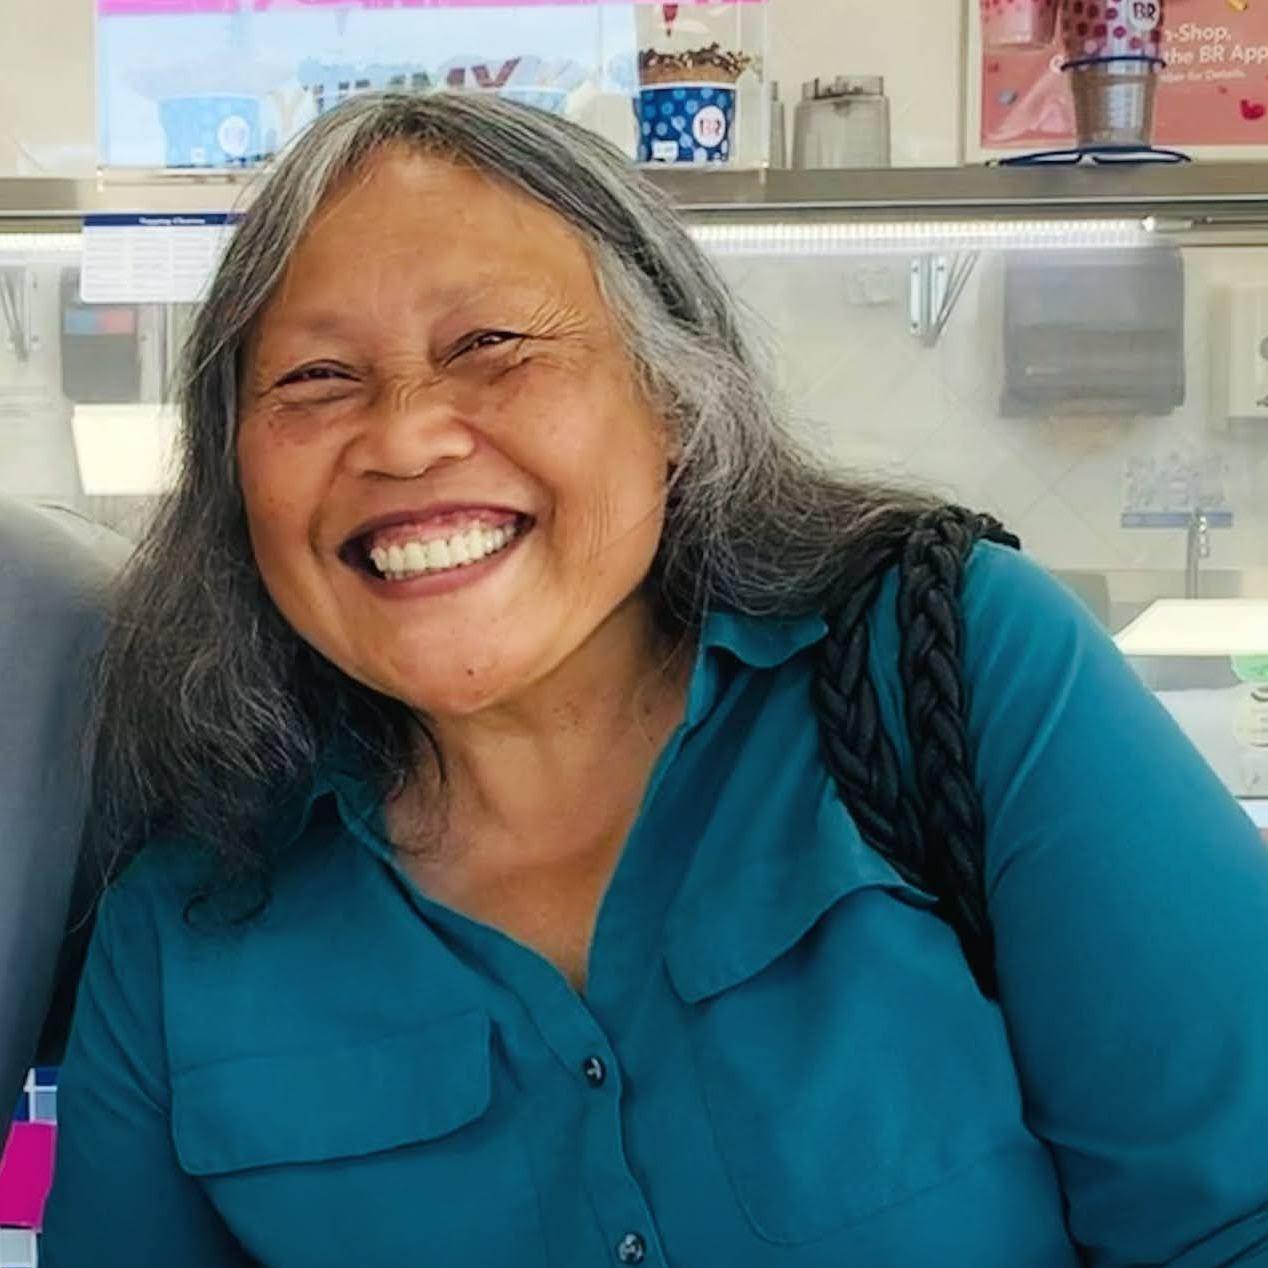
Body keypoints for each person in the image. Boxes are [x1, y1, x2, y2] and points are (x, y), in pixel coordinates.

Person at [41, 92, 1268, 1267]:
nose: (405, 434)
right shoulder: (183, 920)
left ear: (673, 398)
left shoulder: (946, 669)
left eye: (491, 344)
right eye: (316, 377)